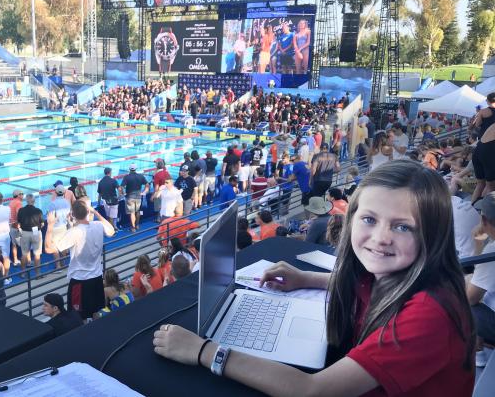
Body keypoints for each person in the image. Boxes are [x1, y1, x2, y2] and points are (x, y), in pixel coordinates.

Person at [154, 160, 475, 396]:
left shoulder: (429, 313)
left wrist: (204, 351)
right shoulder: (391, 272)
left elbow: (313, 391)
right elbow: (362, 284)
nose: (381, 238)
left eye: (402, 226)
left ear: (432, 235)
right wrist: (309, 278)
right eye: (369, 219)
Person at [45, 201, 114, 320]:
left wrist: (50, 226)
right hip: (97, 279)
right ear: (88, 211)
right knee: (97, 313)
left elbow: (48, 249)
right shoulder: (98, 225)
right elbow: (111, 230)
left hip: (80, 282)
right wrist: (96, 212)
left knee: (77, 317)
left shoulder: (74, 232)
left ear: (72, 214)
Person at [466, 192, 495, 367]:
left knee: (460, 302)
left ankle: (477, 352)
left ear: (484, 220)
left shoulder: (492, 251)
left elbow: (471, 298)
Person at [17, 194, 44, 277]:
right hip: (36, 232)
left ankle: (23, 273)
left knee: (24, 254)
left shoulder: (21, 210)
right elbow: (42, 224)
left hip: (25, 233)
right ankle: (38, 274)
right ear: (34, 201)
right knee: (37, 254)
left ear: (26, 201)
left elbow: (19, 223)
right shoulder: (38, 211)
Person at [120, 164, 149, 232]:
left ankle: (133, 228)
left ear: (129, 169)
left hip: (130, 197)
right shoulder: (140, 176)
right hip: (138, 197)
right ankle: (137, 225)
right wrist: (144, 192)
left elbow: (121, 187)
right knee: (138, 211)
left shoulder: (126, 177)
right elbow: (147, 185)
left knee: (132, 213)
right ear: (136, 169)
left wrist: (123, 193)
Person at [48, 184, 71, 269]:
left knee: (55, 247)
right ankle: (63, 263)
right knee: (63, 245)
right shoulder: (67, 202)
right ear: (64, 192)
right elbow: (69, 215)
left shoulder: (52, 204)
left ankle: (58, 266)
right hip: (63, 226)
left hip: (55, 227)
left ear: (55, 192)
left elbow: (50, 216)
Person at [9, 189, 24, 267]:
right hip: (17, 226)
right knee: (23, 244)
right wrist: (20, 225)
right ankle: (24, 260)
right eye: (22, 194)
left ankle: (15, 260)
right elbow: (19, 214)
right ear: (19, 195)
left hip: (11, 226)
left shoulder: (11, 202)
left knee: (14, 244)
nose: (23, 195)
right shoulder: (18, 203)